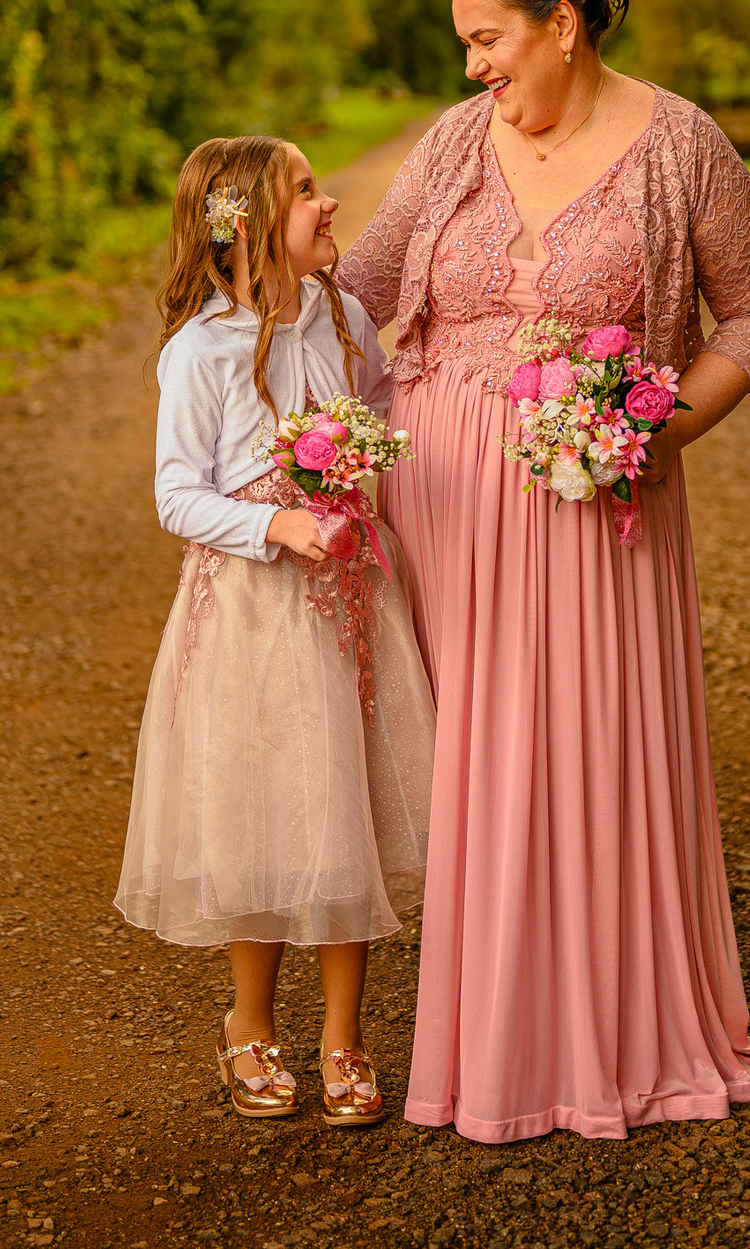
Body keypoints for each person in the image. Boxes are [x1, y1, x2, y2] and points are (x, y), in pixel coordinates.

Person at [338, 0, 750, 1143]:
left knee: (582, 755)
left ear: (562, 26)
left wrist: (658, 430)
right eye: (465, 44)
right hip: (444, 506)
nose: (472, 65)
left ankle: (602, 1031)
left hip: (599, 512)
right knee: (474, 766)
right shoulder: (454, 142)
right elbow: (364, 287)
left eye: (486, 39)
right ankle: (483, 1031)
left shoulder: (681, 145)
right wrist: (246, 332)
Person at [115, 135, 436, 1127]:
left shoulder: (344, 318)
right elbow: (177, 495)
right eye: (305, 192)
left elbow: (384, 414)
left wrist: (367, 471)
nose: (328, 203)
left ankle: (343, 1032)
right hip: (254, 612)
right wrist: (274, 525)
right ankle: (247, 1020)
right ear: (250, 224)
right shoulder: (202, 348)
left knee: (344, 802)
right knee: (259, 806)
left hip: (346, 605)